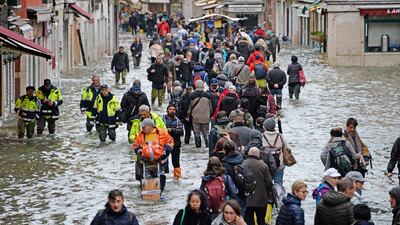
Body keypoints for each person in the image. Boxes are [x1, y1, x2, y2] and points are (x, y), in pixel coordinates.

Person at [132, 118, 173, 194]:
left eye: (144, 127)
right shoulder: (140, 135)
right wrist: (139, 151)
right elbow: (135, 145)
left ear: (150, 126)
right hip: (145, 160)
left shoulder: (161, 133)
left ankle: (160, 192)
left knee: (161, 175)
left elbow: (170, 142)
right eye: (142, 127)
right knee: (143, 175)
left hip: (161, 159)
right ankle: (146, 191)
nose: (142, 128)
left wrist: (166, 151)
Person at [243, 147, 273, 225]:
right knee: (261, 220)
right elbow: (269, 182)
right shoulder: (263, 165)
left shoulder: (243, 164)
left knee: (249, 220)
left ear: (248, 153)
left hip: (248, 199)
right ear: (258, 155)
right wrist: (270, 195)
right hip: (261, 199)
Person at [262, 117, 288, 185]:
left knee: (267, 184)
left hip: (266, 164)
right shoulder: (280, 136)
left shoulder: (262, 136)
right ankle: (279, 195)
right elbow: (287, 147)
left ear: (265, 127)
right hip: (279, 163)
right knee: (278, 185)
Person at [187, 80, 212, 148]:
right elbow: (211, 108)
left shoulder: (192, 95)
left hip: (195, 117)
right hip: (206, 117)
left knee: (197, 133)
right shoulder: (208, 95)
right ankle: (208, 146)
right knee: (206, 132)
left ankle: (198, 147)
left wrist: (188, 115)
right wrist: (209, 115)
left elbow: (189, 107)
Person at [163, 105, 184, 179]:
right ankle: (163, 176)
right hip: (164, 144)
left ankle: (177, 177)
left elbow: (181, 132)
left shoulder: (178, 120)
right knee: (163, 161)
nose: (172, 111)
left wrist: (171, 130)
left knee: (176, 162)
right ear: (167, 110)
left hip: (176, 143)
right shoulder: (162, 119)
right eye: (170, 109)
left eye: (174, 110)